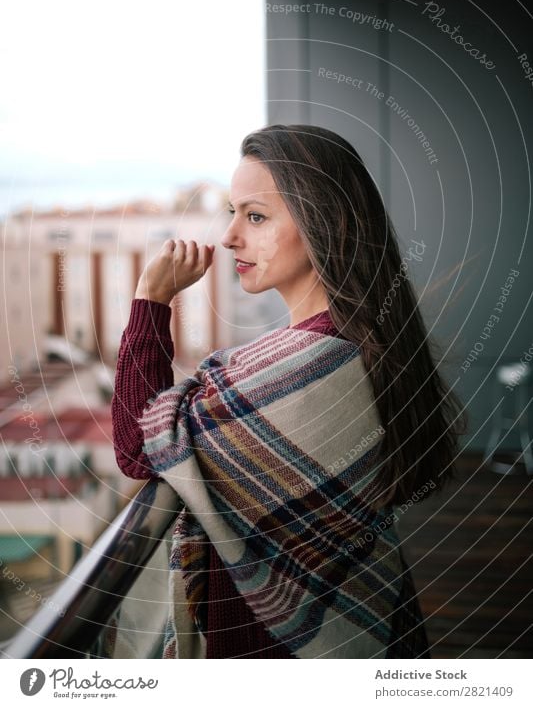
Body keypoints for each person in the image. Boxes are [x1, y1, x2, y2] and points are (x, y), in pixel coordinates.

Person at [111, 123, 467, 659]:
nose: (230, 237)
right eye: (233, 213)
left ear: (325, 222)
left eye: (255, 216)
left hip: (275, 646)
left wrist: (150, 300)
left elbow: (137, 447)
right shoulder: (364, 336)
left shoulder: (306, 362)